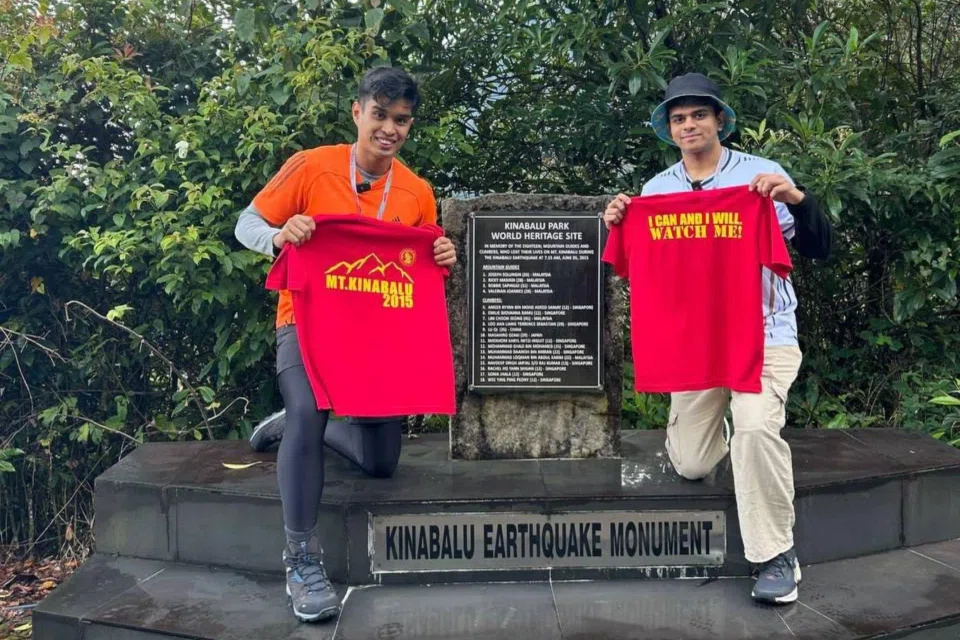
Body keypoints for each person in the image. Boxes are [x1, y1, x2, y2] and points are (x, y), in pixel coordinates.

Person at [234, 66, 457, 623]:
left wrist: (443, 261)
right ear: (357, 112)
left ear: (410, 125)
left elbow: (420, 269)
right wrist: (280, 237)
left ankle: (290, 422)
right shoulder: (312, 166)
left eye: (400, 120)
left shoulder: (417, 192)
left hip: (377, 335)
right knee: (311, 411)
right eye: (379, 115)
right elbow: (248, 222)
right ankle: (302, 558)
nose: (389, 129)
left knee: (382, 463)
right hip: (304, 321)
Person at [602, 72, 833, 605]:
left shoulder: (762, 176)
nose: (689, 125)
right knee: (691, 464)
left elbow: (819, 246)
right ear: (669, 128)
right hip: (699, 343)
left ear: (719, 120)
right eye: (679, 118)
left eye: (699, 115)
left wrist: (794, 197)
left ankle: (776, 555)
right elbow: (633, 267)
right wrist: (621, 220)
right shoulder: (657, 192)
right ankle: (730, 437)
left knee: (753, 432)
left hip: (762, 336)